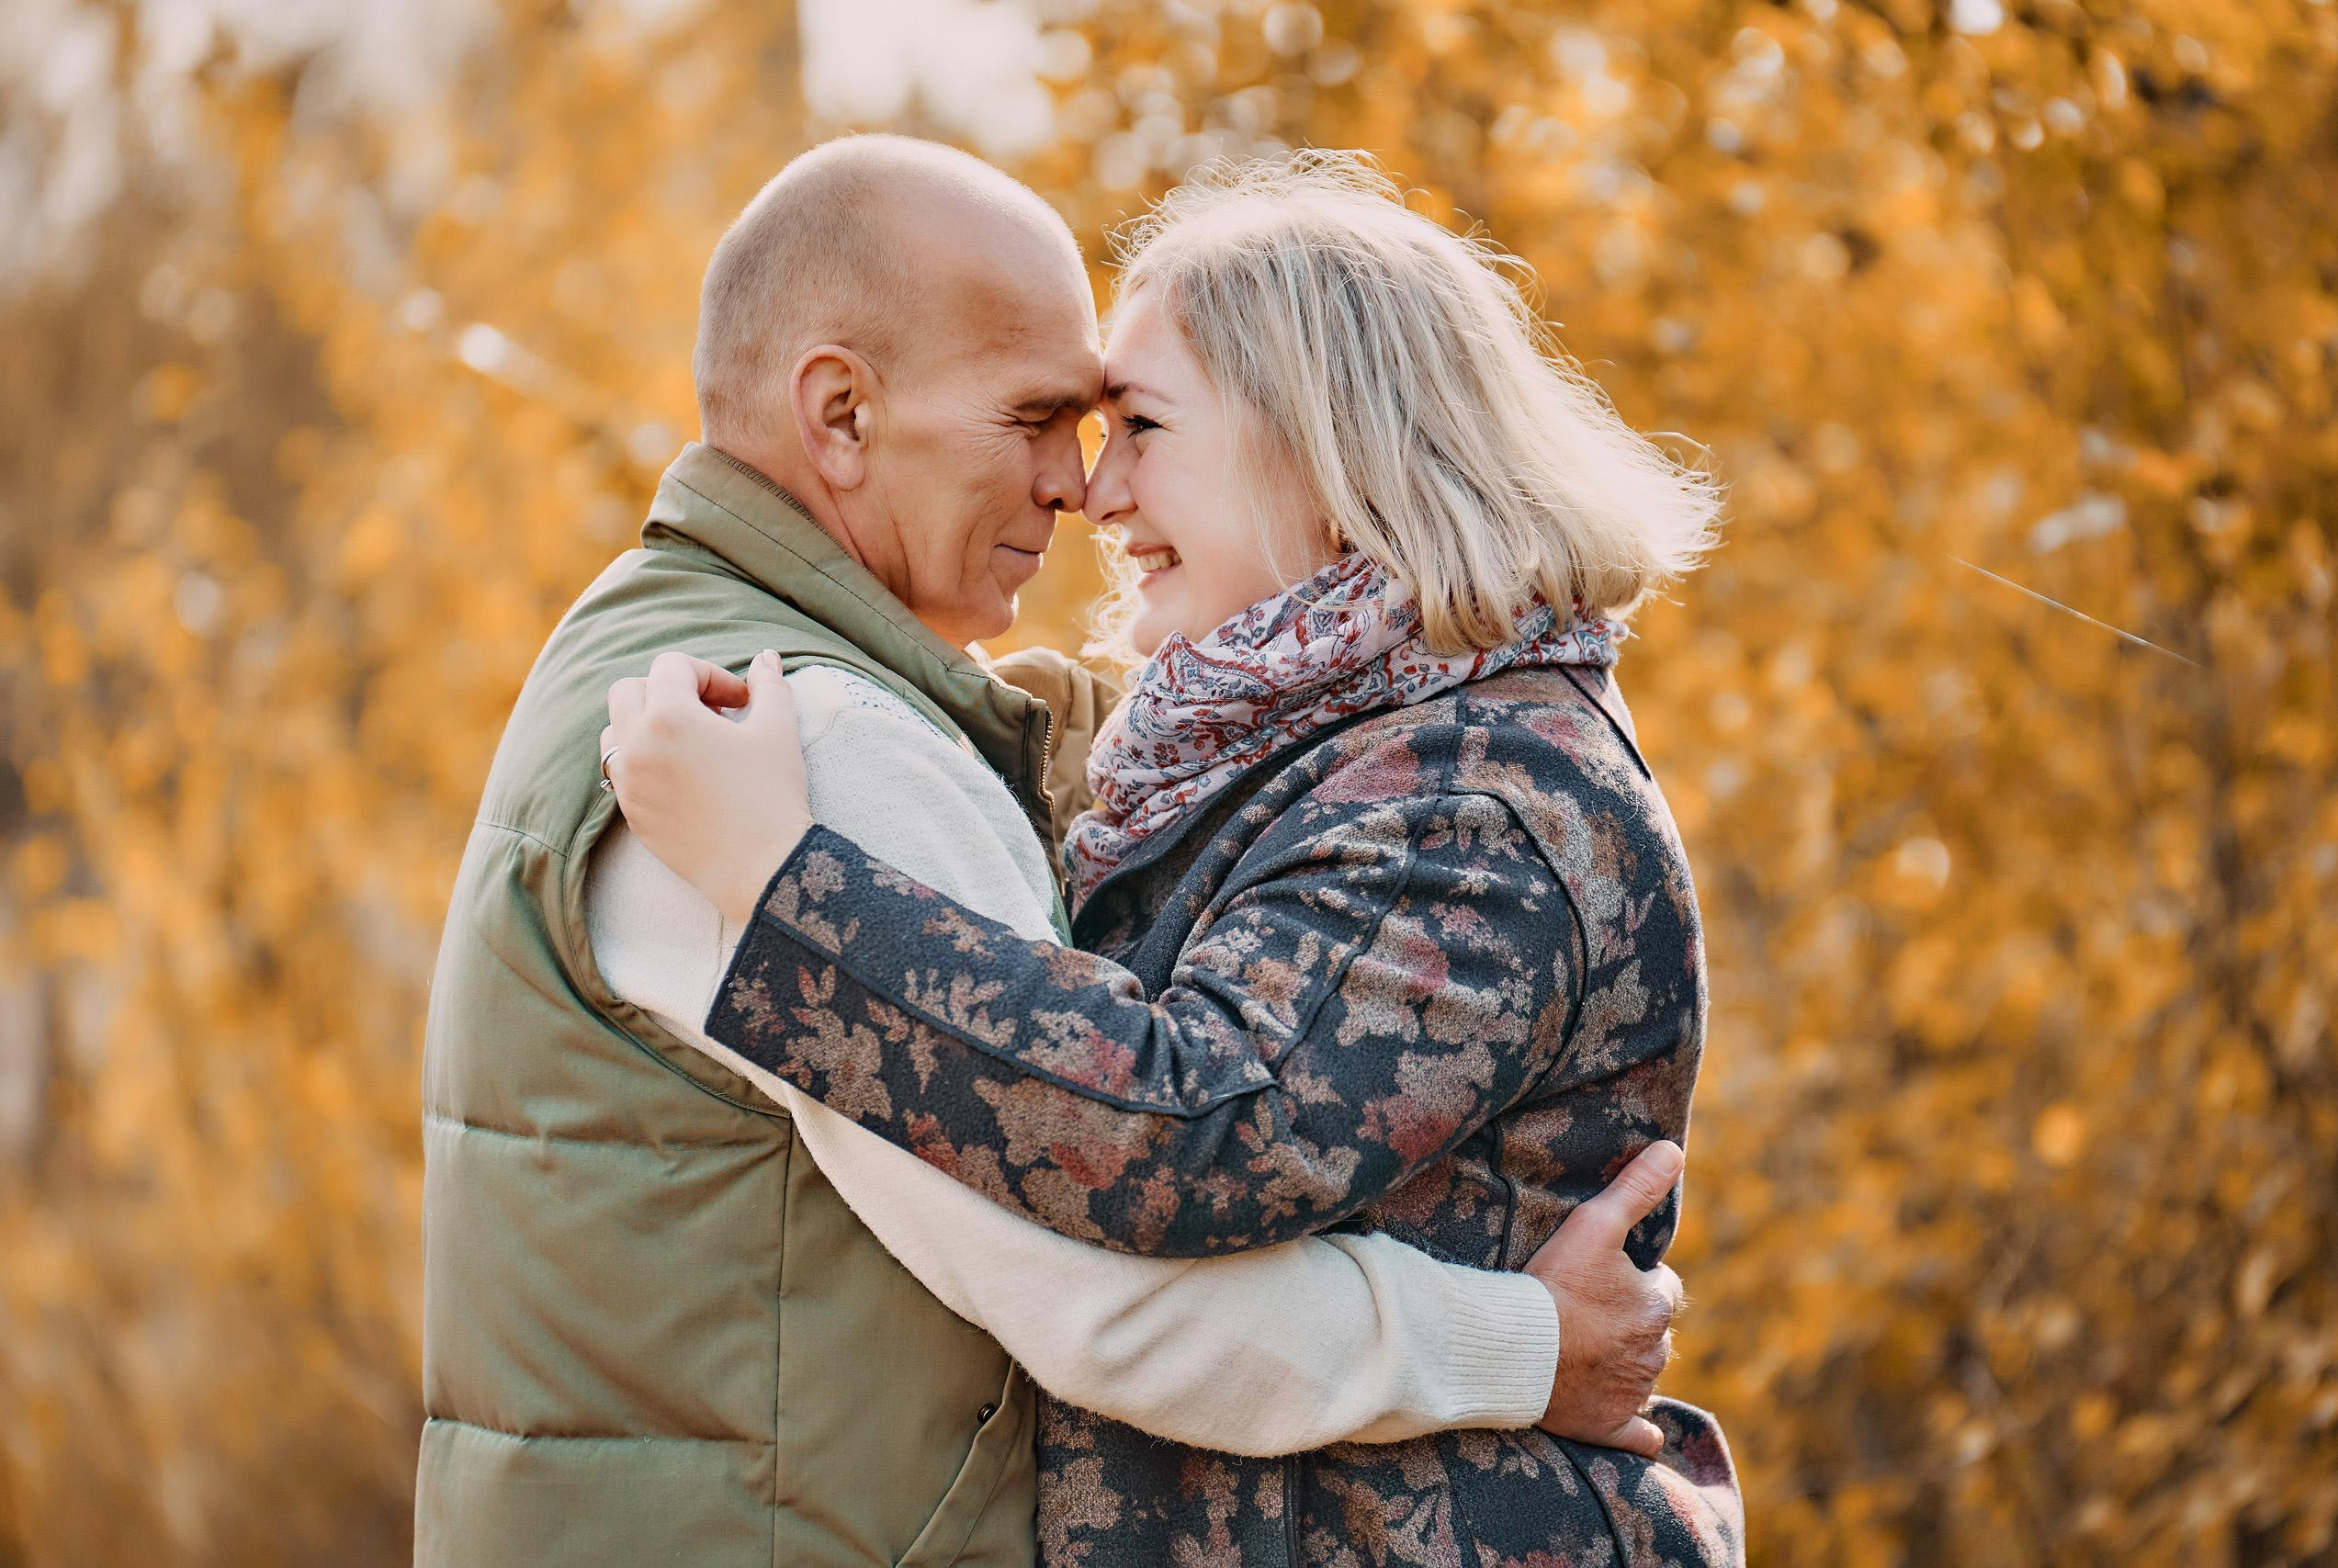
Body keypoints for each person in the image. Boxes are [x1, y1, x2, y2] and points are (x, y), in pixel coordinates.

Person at [419, 136, 1690, 1568]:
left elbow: (1186, 1128)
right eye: (1046, 419)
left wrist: (795, 896)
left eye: (1131, 427)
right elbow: (1114, 1297)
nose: (1083, 488)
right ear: (839, 416)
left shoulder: (1475, 801)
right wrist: (1520, 1343)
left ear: (1329, 455)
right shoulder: (792, 736)